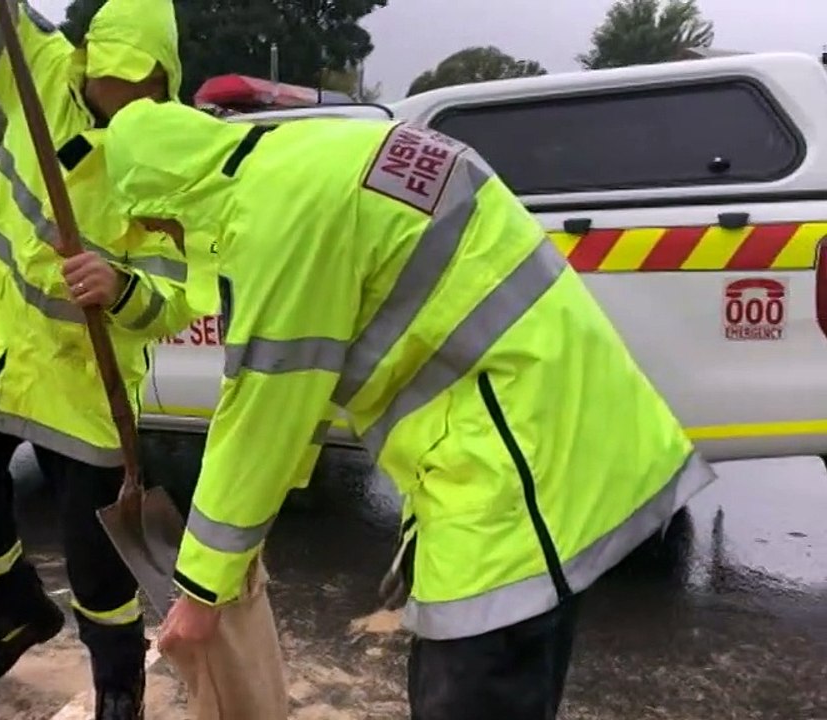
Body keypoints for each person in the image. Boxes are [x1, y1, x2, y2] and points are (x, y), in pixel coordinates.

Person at [101, 98, 720, 719]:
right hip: (558, 433)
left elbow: (265, 407)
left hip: (511, 471)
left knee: (470, 687)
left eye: (157, 227)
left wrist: (204, 588)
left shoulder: (273, 217)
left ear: (167, 198)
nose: (167, 241)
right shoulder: (315, 156)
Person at [0, 2, 209, 717]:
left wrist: (123, 289)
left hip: (87, 382)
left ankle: (120, 686)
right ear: (87, 64)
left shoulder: (172, 157)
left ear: (164, 84)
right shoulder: (41, 75)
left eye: (143, 94)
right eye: (112, 88)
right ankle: (14, 615)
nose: (125, 110)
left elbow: (182, 293)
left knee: (99, 556)